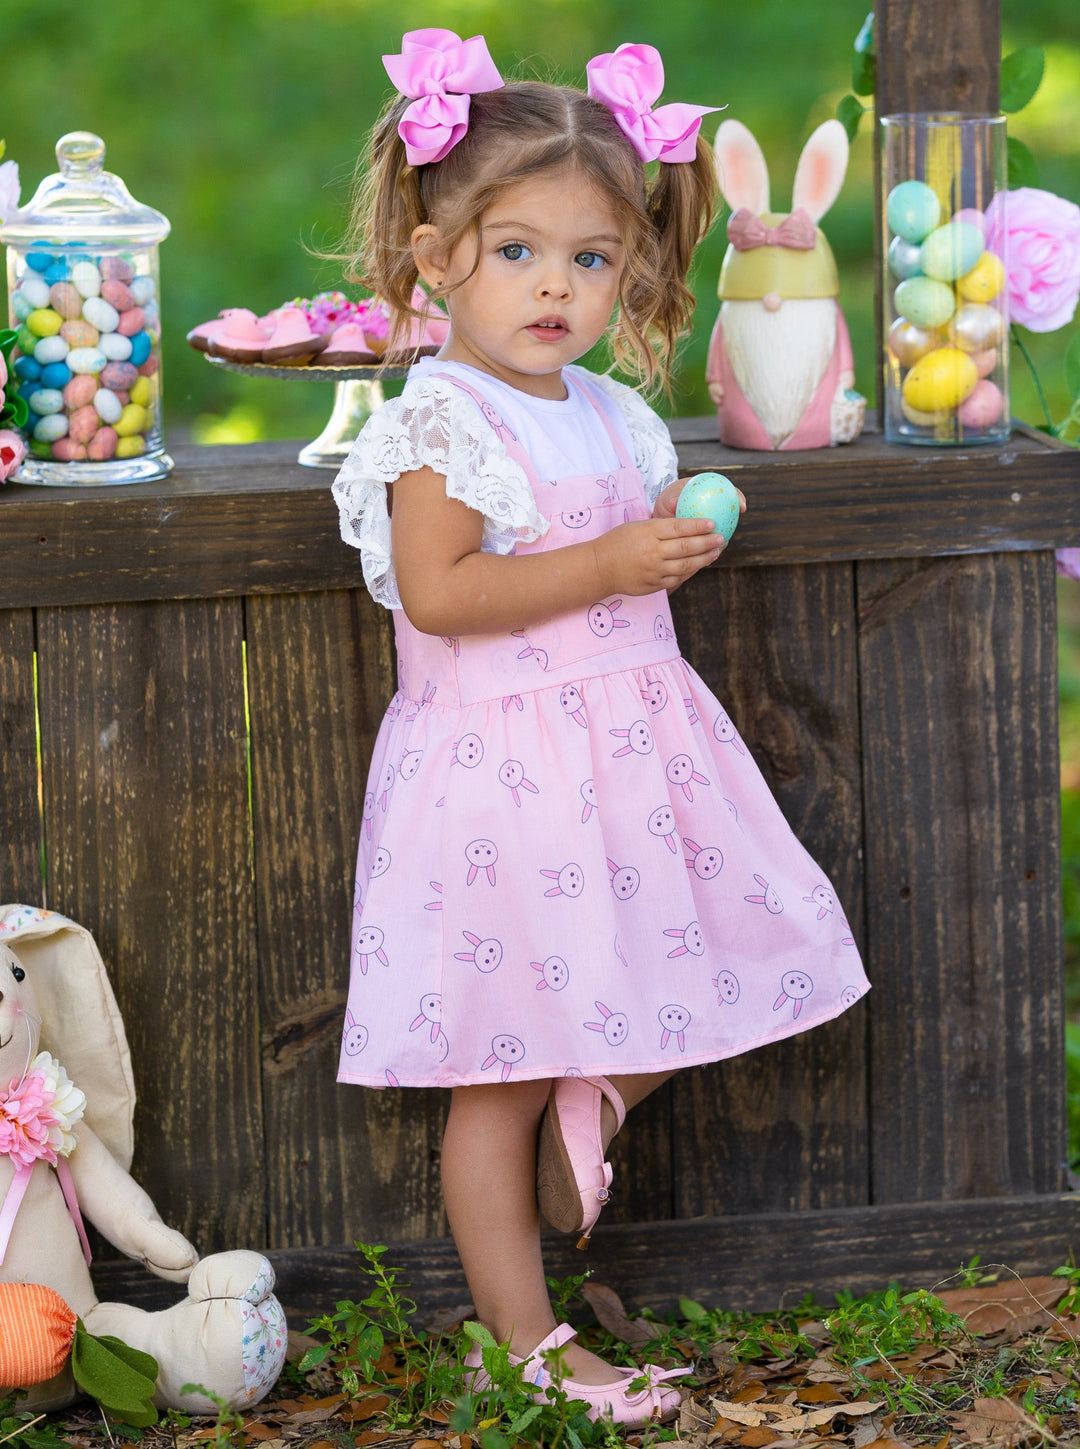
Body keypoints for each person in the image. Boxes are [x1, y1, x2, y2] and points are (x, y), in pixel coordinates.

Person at [331, 29, 869, 1427]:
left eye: (590, 257)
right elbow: (443, 594)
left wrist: (669, 525)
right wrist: (612, 564)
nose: (555, 286)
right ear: (436, 256)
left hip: (631, 757)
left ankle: (600, 1104)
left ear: (630, 268)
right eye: (516, 251)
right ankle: (521, 1341)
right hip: (501, 778)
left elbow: (621, 536)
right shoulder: (441, 422)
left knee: (728, 943)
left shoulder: (615, 413)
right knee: (498, 1075)